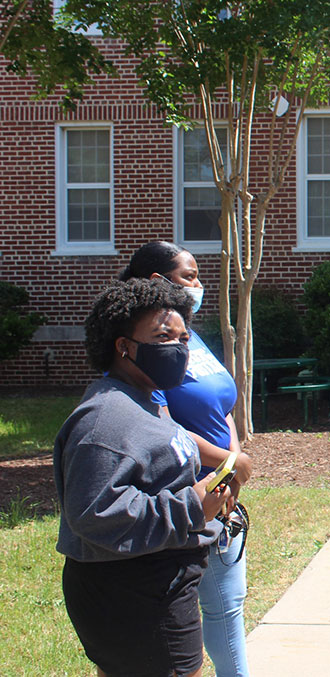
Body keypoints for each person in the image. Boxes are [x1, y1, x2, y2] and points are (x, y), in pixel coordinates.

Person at [55, 278, 230, 677]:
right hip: (133, 590)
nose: (178, 347)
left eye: (183, 337)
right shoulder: (104, 420)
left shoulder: (143, 400)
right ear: (123, 346)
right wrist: (192, 506)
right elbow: (93, 512)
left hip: (155, 580)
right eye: (162, 335)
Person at [120, 241, 253, 677]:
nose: (198, 285)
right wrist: (229, 463)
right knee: (217, 608)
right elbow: (158, 421)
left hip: (223, 488)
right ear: (158, 282)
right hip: (188, 496)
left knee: (229, 605)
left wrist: (233, 458)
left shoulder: (186, 336)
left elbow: (220, 403)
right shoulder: (149, 350)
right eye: (189, 276)